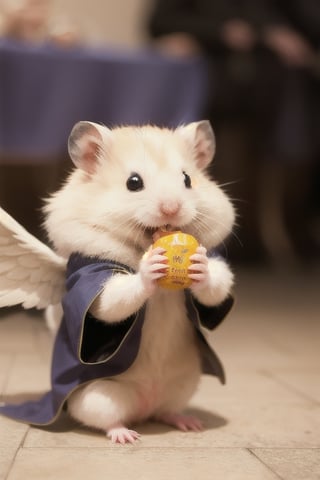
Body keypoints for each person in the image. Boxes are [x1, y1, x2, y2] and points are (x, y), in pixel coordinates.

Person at [147, 0, 320, 265]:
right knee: (219, 165)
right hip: (210, 87)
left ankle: (250, 242)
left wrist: (267, 33)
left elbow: (272, 18)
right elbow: (160, 23)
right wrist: (219, 32)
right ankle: (224, 244)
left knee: (260, 162)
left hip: (260, 84)